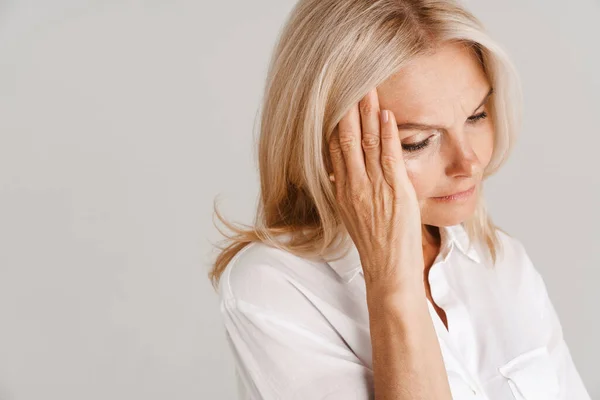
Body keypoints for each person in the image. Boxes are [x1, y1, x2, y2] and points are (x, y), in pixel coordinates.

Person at [209, 0, 591, 398]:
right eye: (417, 142)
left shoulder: (502, 262)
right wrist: (392, 285)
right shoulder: (275, 288)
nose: (470, 163)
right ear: (329, 148)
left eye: (476, 116)